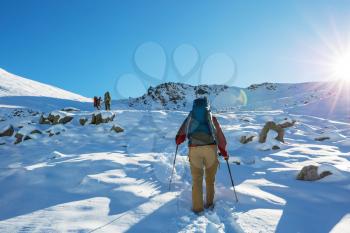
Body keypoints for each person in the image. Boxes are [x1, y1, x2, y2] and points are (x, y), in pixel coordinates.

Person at [175, 97, 229, 213]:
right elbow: (220, 136)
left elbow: (180, 137)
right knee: (210, 179)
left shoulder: (191, 116)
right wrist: (223, 152)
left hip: (194, 149)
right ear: (207, 106)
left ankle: (198, 208)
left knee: (197, 179)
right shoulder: (212, 118)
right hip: (211, 149)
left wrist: (179, 141)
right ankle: (209, 204)